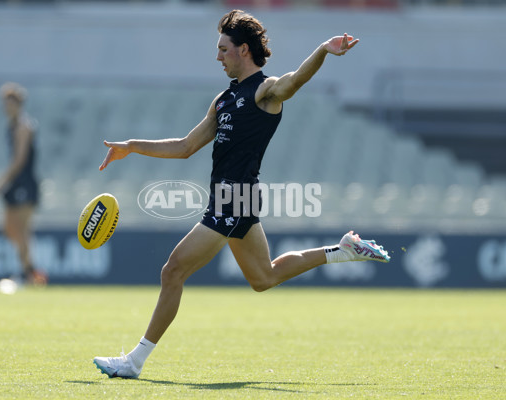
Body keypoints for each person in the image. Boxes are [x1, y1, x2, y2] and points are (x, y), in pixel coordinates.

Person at [94, 10, 389, 379]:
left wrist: (324, 50)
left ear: (243, 50)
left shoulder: (265, 91)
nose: (217, 56)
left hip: (234, 200)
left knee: (173, 270)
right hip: (233, 200)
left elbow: (295, 81)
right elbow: (186, 146)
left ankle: (134, 361)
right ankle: (343, 250)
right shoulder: (223, 100)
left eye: (223, 49)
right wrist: (132, 146)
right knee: (263, 278)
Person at [0, 82, 47, 286]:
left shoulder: (24, 126)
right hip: (16, 182)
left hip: (24, 182)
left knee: (22, 230)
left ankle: (28, 274)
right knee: (9, 228)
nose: (7, 107)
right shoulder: (12, 126)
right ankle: (31, 270)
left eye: (10, 103)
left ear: (18, 104)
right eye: (5, 103)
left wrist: (0, 182)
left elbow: (20, 160)